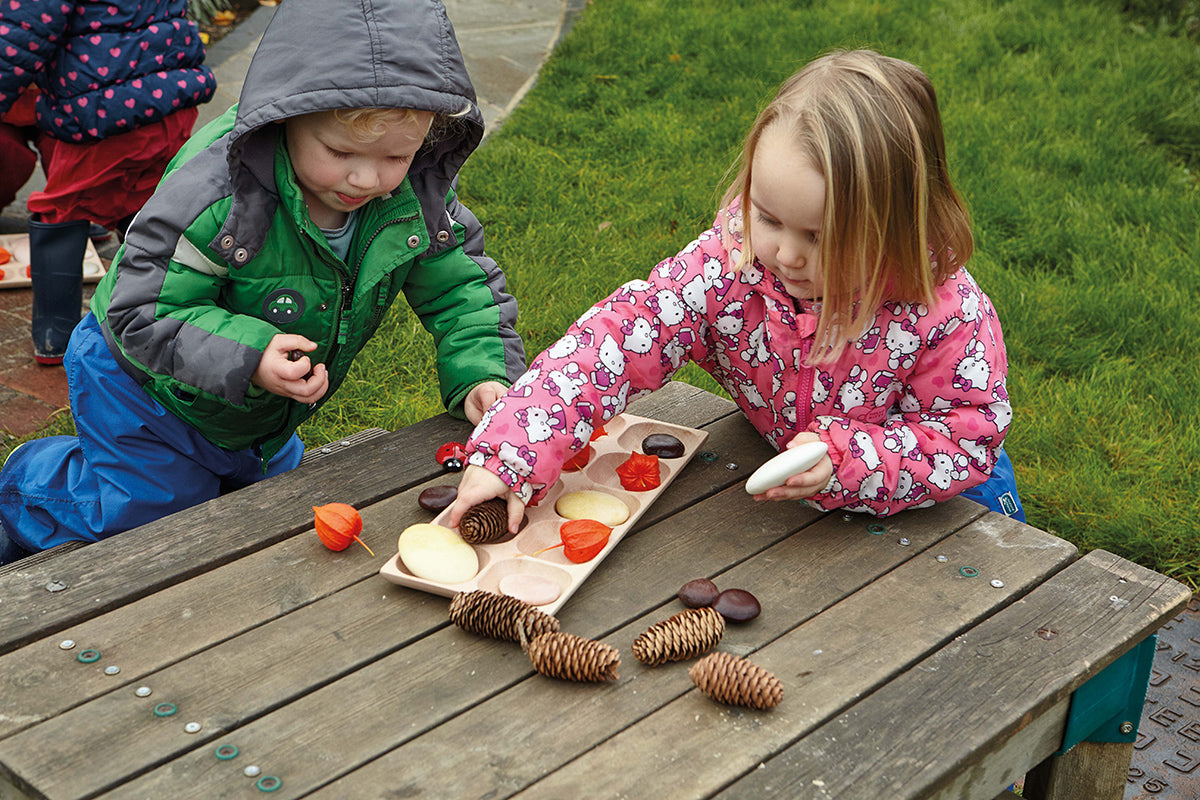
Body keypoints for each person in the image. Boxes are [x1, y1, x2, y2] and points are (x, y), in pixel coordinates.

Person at [0, 0, 526, 565]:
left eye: (396, 155)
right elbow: (144, 308)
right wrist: (250, 355)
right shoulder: (219, 194)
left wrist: (484, 373)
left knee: (266, 510)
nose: (365, 177)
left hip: (252, 411)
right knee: (154, 519)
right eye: (340, 151)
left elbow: (461, 288)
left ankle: (221, 465)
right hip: (144, 387)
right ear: (286, 115)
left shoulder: (413, 194)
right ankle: (25, 486)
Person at [449, 49, 1022, 534]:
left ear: (895, 226)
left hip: (944, 508)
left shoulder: (943, 314)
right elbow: (616, 341)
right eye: (768, 217)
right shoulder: (732, 266)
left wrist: (848, 460)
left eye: (821, 237)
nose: (787, 254)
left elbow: (964, 440)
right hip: (796, 501)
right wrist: (512, 452)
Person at [0, 1, 215, 364]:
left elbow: (20, 38)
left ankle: (57, 337)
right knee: (148, 203)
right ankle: (151, 318)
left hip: (102, 108)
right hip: (169, 94)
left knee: (62, 208)